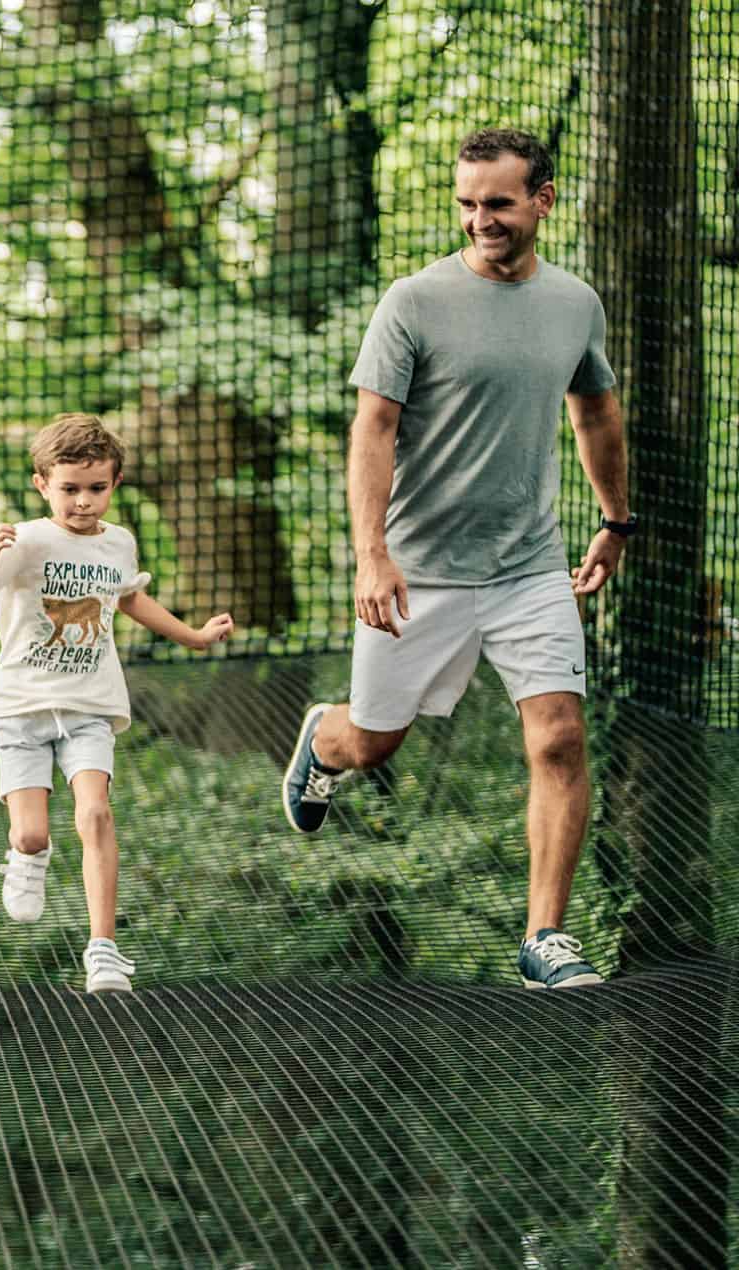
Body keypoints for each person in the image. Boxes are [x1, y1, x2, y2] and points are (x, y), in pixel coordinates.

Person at [280, 127, 629, 989]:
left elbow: (595, 414)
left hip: (529, 567)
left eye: (500, 203)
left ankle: (544, 936)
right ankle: (326, 740)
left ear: (542, 200)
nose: (481, 219)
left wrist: (616, 523)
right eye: (468, 203)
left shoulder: (574, 303)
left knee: (559, 738)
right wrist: (372, 554)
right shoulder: (414, 301)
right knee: (375, 744)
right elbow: (374, 427)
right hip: (418, 571)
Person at [0, 414, 234, 994]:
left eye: (96, 488)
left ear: (116, 482)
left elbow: (131, 603)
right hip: (22, 708)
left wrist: (196, 636)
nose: (83, 502)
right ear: (42, 485)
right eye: (70, 489)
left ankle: (102, 949)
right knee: (31, 834)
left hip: (90, 705)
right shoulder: (26, 542)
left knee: (96, 812)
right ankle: (28, 857)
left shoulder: (119, 543)